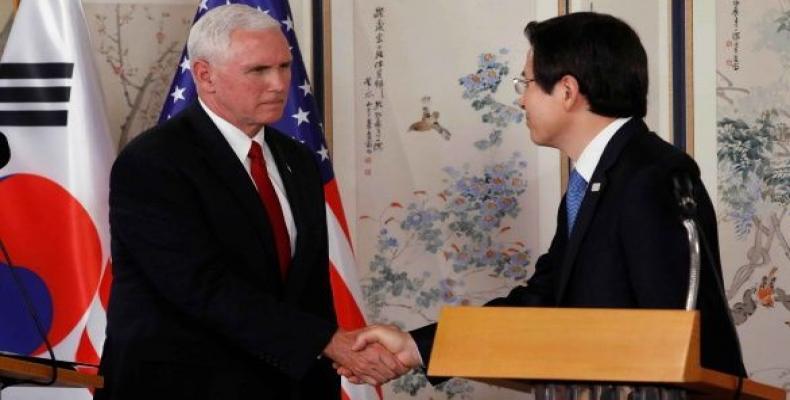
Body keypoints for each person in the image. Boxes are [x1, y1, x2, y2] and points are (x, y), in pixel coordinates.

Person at [342, 11, 747, 383]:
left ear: (567, 91)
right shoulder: (595, 180)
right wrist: (415, 347)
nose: (520, 98)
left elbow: (671, 331)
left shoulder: (650, 175)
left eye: (527, 83)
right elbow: (543, 303)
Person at [95, 5, 405, 400]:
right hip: (183, 388)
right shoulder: (153, 162)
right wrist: (328, 341)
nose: (279, 84)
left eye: (284, 66)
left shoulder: (298, 160)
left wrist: (330, 359)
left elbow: (309, 291)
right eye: (258, 71)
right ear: (204, 75)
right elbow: (201, 287)